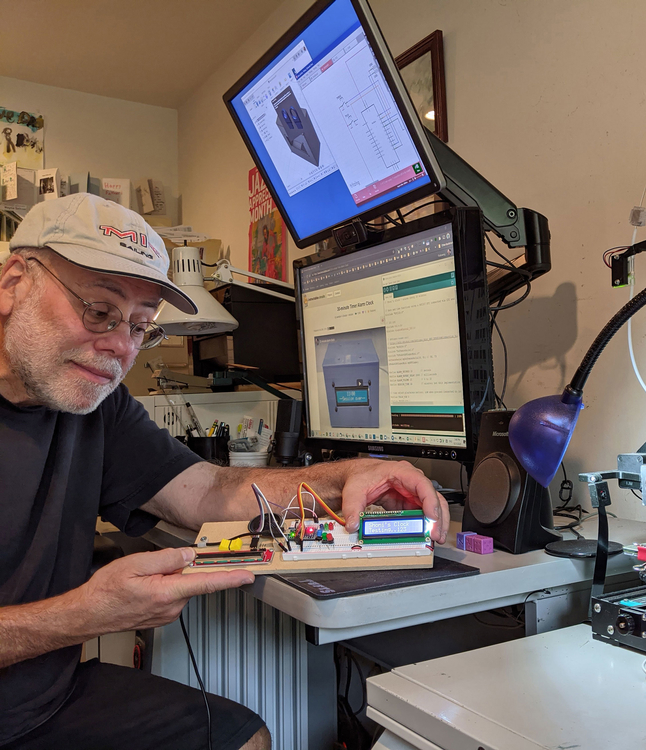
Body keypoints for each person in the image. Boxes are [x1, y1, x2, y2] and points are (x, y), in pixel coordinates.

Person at [0, 194, 450, 749]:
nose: (118, 347)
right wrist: (81, 615)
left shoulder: (97, 405)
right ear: (14, 281)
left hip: (48, 699)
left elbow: (207, 491)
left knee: (244, 738)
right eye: (99, 311)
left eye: (141, 328)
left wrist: (351, 476)